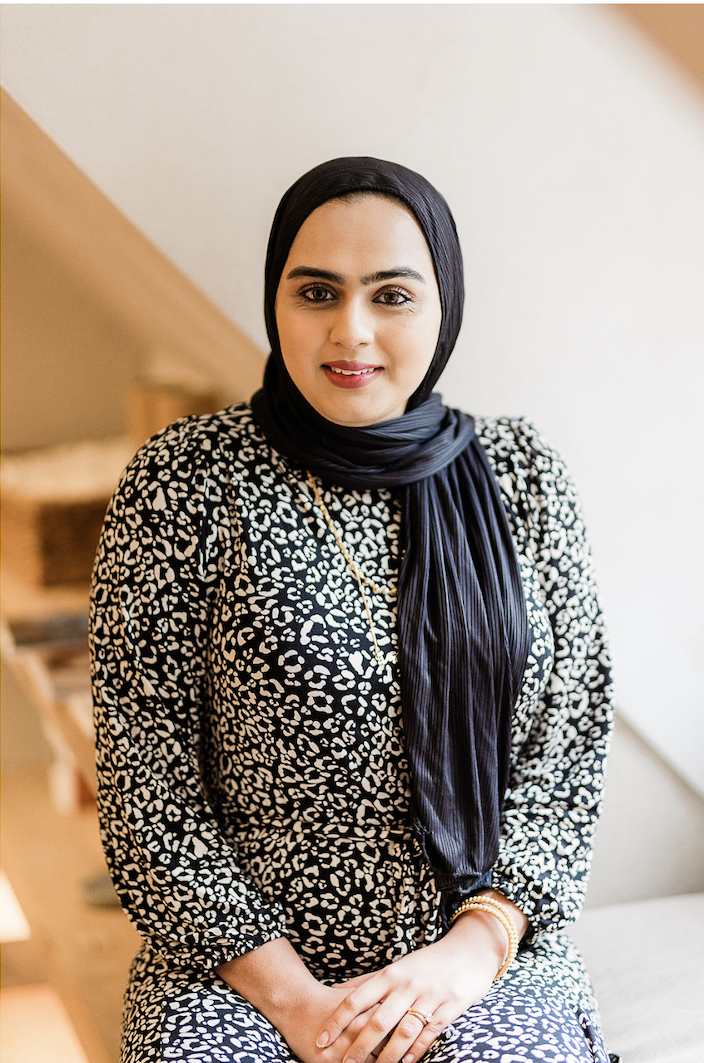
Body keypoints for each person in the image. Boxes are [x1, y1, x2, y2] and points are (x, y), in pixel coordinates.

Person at [90, 157, 615, 1063]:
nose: (352, 330)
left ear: (444, 307)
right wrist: (300, 1003)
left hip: (479, 955)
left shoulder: (523, 477)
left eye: (393, 295)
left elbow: (567, 751)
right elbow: (148, 789)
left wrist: (467, 953)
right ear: (275, 299)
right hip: (239, 969)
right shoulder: (187, 480)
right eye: (317, 292)